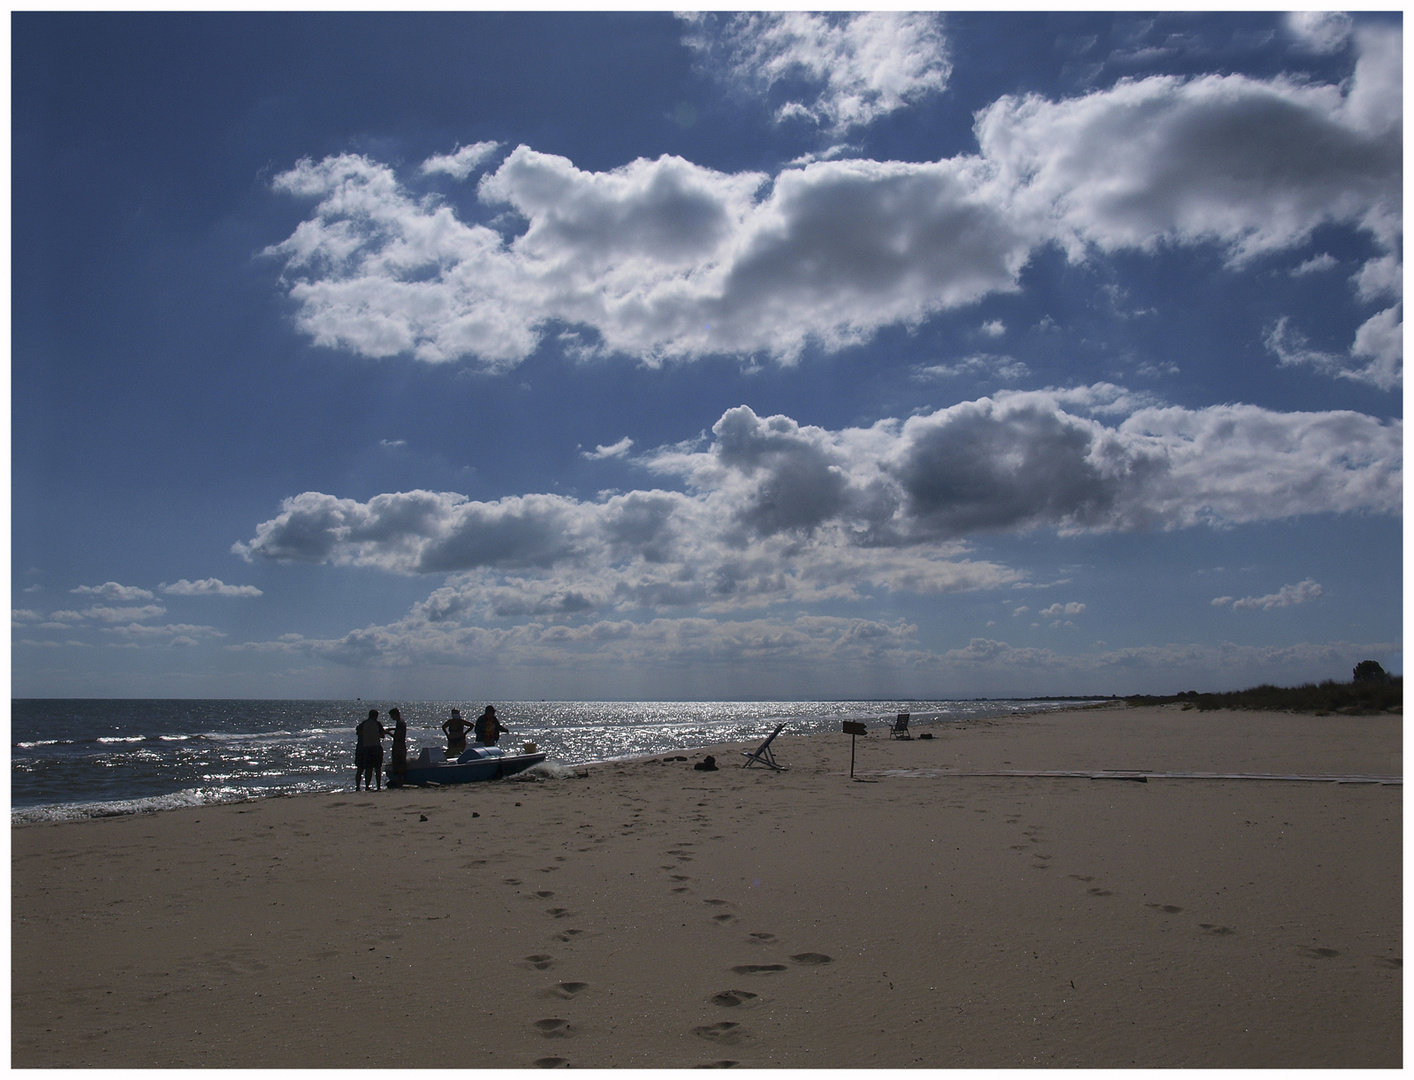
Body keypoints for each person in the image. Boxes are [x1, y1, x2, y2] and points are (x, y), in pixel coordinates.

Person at [355, 709, 389, 791]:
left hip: (366, 747)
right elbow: (382, 735)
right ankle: (378, 786)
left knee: (368, 768)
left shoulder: (364, 724)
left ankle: (365, 786)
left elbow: (358, 731)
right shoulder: (377, 724)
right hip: (376, 747)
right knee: (377, 768)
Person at [388, 708, 408, 786]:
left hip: (398, 746)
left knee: (398, 764)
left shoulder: (399, 723)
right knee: (401, 763)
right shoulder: (402, 722)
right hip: (402, 745)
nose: (391, 718)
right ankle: (400, 781)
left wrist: (388, 733)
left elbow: (397, 736)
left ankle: (399, 782)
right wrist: (392, 729)